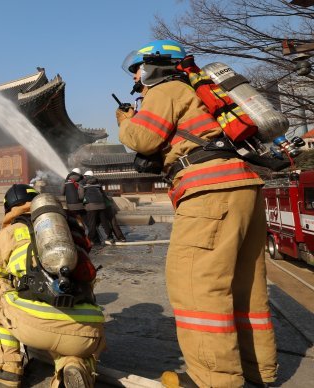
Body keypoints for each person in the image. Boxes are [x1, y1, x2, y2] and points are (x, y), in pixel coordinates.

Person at [117, 40, 276, 387]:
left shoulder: (168, 88)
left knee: (195, 284)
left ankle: (212, 378)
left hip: (210, 193)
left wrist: (126, 120)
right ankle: (257, 371)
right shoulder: (201, 92)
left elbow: (144, 139)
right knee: (245, 286)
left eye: (139, 70)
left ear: (156, 65)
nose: (138, 79)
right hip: (242, 187)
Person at [0, 183, 105, 388]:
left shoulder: (10, 232)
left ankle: (7, 366)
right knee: (72, 343)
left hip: (37, 327)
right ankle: (75, 366)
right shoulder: (71, 229)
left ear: (9, 208)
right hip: (88, 332)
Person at [81, 170, 112, 244]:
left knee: (92, 223)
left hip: (91, 206)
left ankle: (90, 239)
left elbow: (81, 196)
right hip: (102, 205)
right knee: (104, 223)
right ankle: (110, 237)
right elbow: (103, 194)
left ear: (86, 177)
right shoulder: (98, 185)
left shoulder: (83, 185)